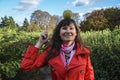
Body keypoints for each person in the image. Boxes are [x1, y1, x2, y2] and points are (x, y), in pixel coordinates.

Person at [21, 18, 94, 80]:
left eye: (71, 28)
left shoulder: (84, 52)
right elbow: (26, 66)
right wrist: (40, 42)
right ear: (59, 33)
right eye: (64, 28)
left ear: (76, 33)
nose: (68, 31)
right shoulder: (51, 51)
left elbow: (89, 77)